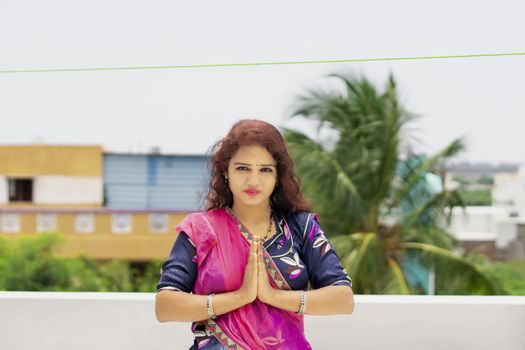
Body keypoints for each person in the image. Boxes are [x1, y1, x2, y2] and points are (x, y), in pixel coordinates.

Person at [155, 119, 354, 349]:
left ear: (278, 176)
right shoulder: (200, 231)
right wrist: (240, 297)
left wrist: (272, 296)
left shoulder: (302, 227)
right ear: (225, 171)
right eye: (242, 168)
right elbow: (165, 305)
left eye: (265, 170)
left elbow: (343, 299)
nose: (253, 180)